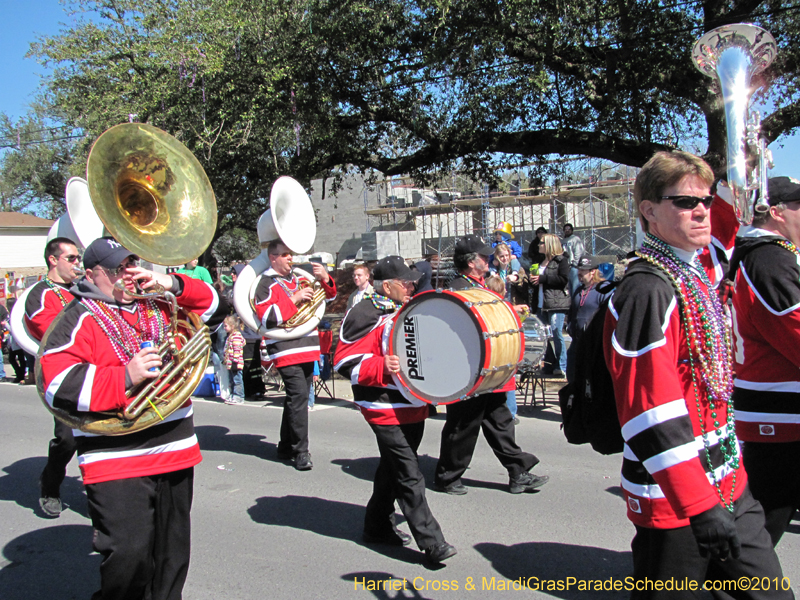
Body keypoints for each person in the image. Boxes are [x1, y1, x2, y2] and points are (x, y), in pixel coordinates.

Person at [603, 151, 790, 596]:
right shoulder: (647, 290)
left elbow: (726, 222)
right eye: (685, 202)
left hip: (730, 483)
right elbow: (648, 410)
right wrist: (700, 504)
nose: (701, 210)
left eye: (704, 200)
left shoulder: (700, 267)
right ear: (649, 211)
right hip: (677, 500)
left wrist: (741, 164)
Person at [38, 236, 224, 600]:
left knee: (172, 553)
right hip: (115, 457)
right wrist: (125, 376)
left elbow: (217, 308)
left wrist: (171, 282)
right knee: (128, 553)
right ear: (91, 274)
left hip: (175, 447)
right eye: (115, 269)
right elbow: (56, 384)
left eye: (131, 264)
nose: (127, 274)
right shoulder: (77, 317)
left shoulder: (159, 303)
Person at [334, 255, 457, 564]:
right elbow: (343, 362)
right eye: (406, 282)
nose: (412, 286)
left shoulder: (409, 308)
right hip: (382, 406)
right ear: (387, 286)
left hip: (413, 404)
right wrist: (381, 365)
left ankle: (376, 526)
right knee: (408, 472)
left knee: (392, 469)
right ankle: (432, 542)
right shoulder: (363, 312)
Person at [434, 235, 548, 496]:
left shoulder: (479, 284)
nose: (488, 259)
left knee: (500, 421)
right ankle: (446, 477)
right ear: (470, 262)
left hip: (488, 366)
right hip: (469, 369)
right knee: (463, 425)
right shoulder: (459, 288)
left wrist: (509, 311)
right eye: (483, 257)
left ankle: (518, 473)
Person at [730, 176, 800, 547]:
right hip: (778, 412)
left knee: (759, 525)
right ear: (776, 212)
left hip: (777, 408)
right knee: (758, 530)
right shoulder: (770, 258)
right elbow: (794, 329)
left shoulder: (771, 254)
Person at [253, 241, 337, 471]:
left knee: (295, 398)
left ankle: (285, 445)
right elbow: (268, 317)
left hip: (308, 346)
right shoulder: (265, 283)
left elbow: (328, 298)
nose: (290, 258)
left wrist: (325, 278)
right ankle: (301, 451)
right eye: (285, 254)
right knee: (299, 396)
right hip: (285, 348)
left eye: (290, 254)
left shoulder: (299, 278)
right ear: (273, 258)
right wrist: (295, 298)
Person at [23, 237, 82, 517]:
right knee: (68, 439)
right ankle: (50, 485)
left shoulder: (83, 290)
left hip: (94, 369)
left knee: (101, 436)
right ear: (53, 260)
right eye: (71, 258)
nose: (77, 263)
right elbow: (50, 331)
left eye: (78, 258)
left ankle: (103, 496)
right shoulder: (40, 294)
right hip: (63, 375)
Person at [566, 255, 612, 383]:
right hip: (577, 342)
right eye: (579, 269)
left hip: (595, 344)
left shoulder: (604, 289)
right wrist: (570, 327)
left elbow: (608, 317)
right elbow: (572, 312)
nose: (579, 273)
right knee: (573, 377)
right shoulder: (578, 290)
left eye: (583, 270)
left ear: (593, 271)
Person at [529, 233, 570, 376]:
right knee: (542, 335)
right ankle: (549, 364)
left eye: (542, 243)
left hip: (555, 303)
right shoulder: (540, 260)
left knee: (556, 333)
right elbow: (538, 281)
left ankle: (562, 365)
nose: (539, 245)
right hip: (541, 303)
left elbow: (564, 279)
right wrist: (533, 280)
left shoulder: (561, 260)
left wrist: (543, 278)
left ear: (549, 245)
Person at [223, 314, 246, 405]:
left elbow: (237, 349)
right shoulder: (230, 336)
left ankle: (239, 397)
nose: (224, 328)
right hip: (230, 363)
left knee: (237, 380)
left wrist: (235, 361)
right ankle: (232, 395)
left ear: (232, 326)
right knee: (232, 380)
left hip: (235, 363)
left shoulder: (236, 336)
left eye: (226, 326)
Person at [561, 223, 585, 296]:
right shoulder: (563, 241)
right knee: (569, 287)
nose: (567, 230)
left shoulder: (575, 239)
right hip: (566, 266)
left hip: (573, 266)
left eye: (569, 229)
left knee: (576, 286)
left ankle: (578, 300)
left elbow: (578, 252)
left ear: (572, 230)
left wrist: (575, 264)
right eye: (565, 229)